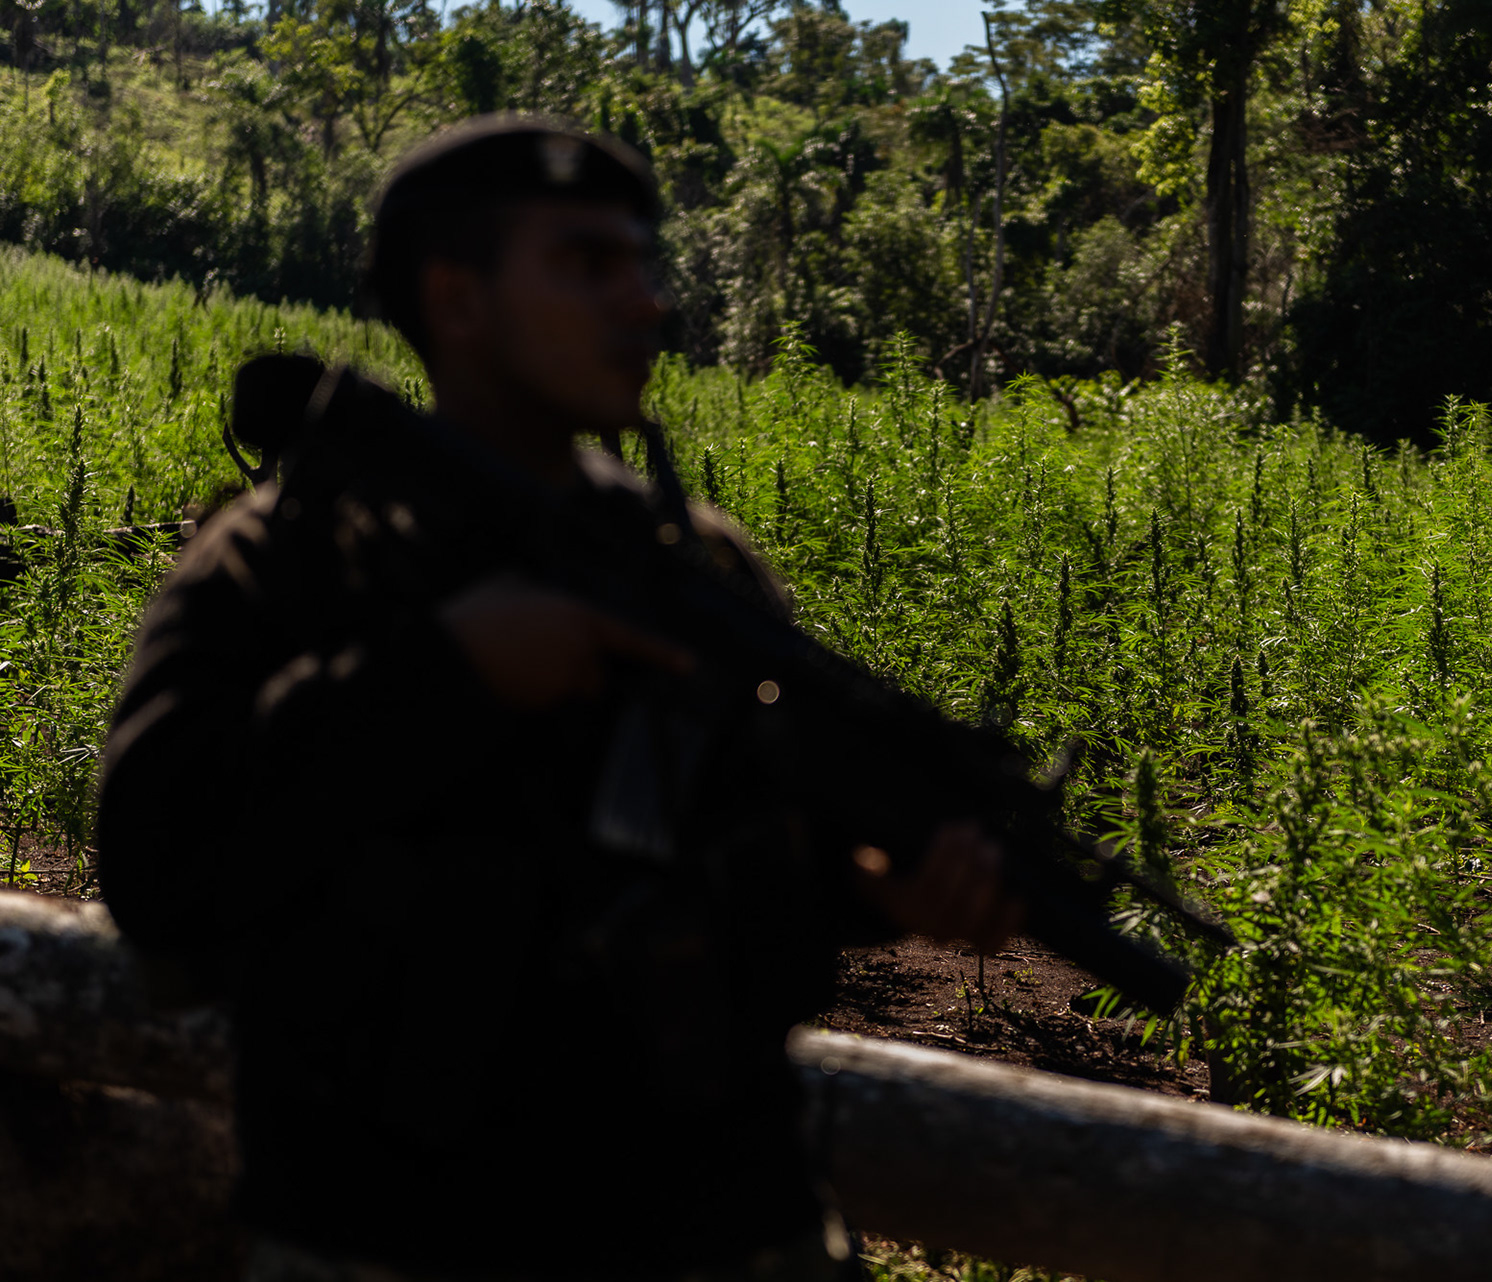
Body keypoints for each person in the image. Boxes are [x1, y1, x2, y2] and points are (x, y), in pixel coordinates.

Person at [95, 116, 1019, 1282]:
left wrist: (894, 890)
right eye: (589, 264)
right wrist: (446, 671)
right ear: (458, 300)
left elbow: (739, 855)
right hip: (388, 1238)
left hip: (723, 1233)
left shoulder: (699, 574)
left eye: (645, 260)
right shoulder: (291, 559)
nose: (647, 301)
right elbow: (157, 864)